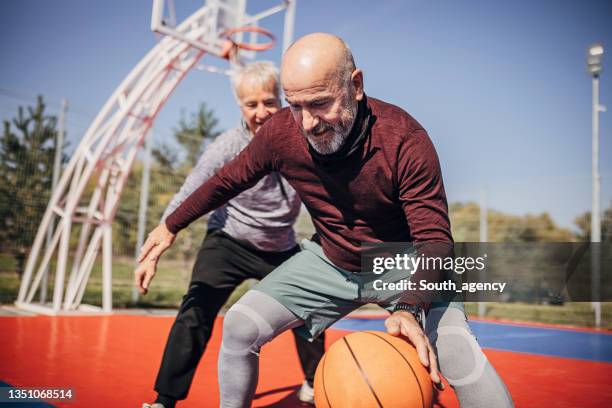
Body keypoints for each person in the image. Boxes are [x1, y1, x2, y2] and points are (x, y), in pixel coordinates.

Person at [137, 33, 515, 408]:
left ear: (356, 85)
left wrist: (411, 306)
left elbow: (434, 240)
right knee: (239, 325)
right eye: (295, 105)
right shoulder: (281, 132)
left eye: (319, 103)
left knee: (459, 355)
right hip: (332, 261)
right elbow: (227, 179)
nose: (307, 122)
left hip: (403, 260)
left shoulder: (405, 139)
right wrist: (170, 225)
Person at [138, 61, 325, 408]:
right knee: (195, 310)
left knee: (312, 306)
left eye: (269, 102)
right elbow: (191, 191)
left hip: (279, 245)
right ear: (241, 107)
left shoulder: (303, 142)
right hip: (229, 240)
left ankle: (316, 383)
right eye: (251, 104)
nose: (261, 112)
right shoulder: (227, 146)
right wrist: (158, 241)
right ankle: (165, 400)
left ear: (282, 101)